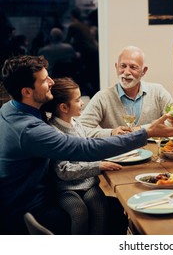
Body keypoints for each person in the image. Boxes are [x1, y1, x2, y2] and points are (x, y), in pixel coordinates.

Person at [0, 55, 173, 235]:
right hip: (26, 210)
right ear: (27, 92)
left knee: (109, 207)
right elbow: (84, 149)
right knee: (115, 214)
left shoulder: (11, 108)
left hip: (28, 197)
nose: (51, 82)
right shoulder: (30, 129)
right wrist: (147, 133)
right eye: (44, 80)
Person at [41, 77, 122, 234]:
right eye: (78, 100)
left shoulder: (77, 124)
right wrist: (98, 166)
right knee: (79, 212)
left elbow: (88, 150)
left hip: (88, 184)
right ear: (64, 107)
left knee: (100, 208)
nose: (82, 103)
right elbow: (63, 171)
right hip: (65, 189)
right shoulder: (53, 132)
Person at [79, 45, 173, 137]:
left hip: (154, 152)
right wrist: (111, 133)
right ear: (116, 67)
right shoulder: (102, 97)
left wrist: (142, 129)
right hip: (119, 153)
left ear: (144, 71)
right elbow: (80, 130)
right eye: (123, 66)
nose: (127, 72)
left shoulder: (158, 92)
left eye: (133, 67)